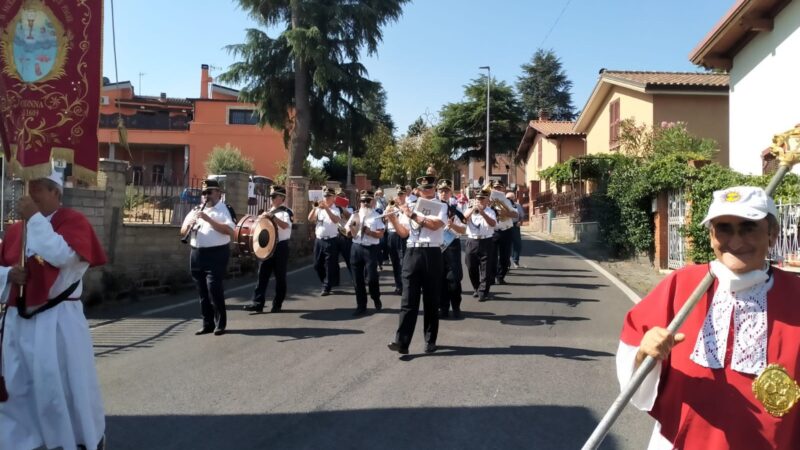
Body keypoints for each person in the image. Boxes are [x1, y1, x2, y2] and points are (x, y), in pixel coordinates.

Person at [617, 186, 800, 449]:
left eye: (749, 227)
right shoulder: (682, 284)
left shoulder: (796, 296)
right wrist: (643, 354)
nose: (735, 242)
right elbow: (633, 358)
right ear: (712, 235)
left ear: (772, 234)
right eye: (723, 228)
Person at [0, 169, 107, 450]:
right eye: (26, 187)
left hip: (57, 322)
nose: (28, 195)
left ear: (55, 193)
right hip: (18, 321)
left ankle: (71, 441)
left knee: (57, 388)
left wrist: (34, 219)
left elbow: (60, 256)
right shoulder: (15, 230)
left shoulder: (74, 222)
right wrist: (8, 275)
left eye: (35, 188)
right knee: (17, 386)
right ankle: (21, 443)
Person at [388, 172, 448, 354]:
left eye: (429, 187)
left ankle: (430, 340)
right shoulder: (411, 206)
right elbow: (404, 233)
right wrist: (393, 219)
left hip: (432, 253)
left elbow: (434, 225)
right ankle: (402, 342)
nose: (426, 191)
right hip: (412, 252)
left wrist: (412, 214)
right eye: (423, 188)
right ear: (419, 190)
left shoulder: (441, 206)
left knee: (431, 300)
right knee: (408, 300)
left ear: (434, 188)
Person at [181, 179, 235, 336]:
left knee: (214, 288)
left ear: (218, 193)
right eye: (203, 193)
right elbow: (182, 231)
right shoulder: (196, 209)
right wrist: (189, 223)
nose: (206, 196)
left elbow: (229, 231)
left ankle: (220, 323)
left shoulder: (225, 209)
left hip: (217, 253)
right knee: (202, 291)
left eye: (209, 192)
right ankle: (207, 323)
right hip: (197, 253)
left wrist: (208, 219)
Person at [243, 186, 293, 313]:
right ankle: (257, 303)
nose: (271, 199)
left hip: (280, 246)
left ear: (281, 198)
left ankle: (277, 304)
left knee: (280, 277)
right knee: (262, 275)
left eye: (273, 196)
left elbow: (286, 226)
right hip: (267, 246)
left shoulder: (286, 212)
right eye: (271, 196)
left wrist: (273, 217)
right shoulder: (268, 211)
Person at [345, 190, 385, 316]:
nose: (365, 203)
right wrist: (348, 231)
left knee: (372, 278)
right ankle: (361, 305)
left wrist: (369, 232)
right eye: (363, 201)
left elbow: (381, 234)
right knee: (357, 279)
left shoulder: (376, 215)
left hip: (371, 249)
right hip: (356, 248)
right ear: (360, 202)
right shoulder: (355, 215)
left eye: (368, 201)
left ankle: (375, 297)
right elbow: (347, 231)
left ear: (372, 201)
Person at [437, 179, 466, 319]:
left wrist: (453, 226)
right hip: (437, 246)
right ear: (437, 192)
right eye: (441, 191)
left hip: (452, 245)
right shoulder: (433, 208)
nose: (443, 193)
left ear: (450, 193)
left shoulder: (455, 210)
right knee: (440, 279)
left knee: (453, 279)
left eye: (446, 191)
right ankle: (443, 308)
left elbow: (464, 229)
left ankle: (456, 307)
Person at [464, 187, 497, 302]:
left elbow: (493, 224)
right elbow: (463, 220)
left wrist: (483, 213)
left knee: (485, 268)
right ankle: (476, 287)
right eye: (478, 199)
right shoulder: (469, 209)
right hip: (472, 241)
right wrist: (472, 210)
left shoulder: (491, 211)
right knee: (471, 267)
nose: (480, 201)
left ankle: (483, 291)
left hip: (486, 241)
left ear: (487, 200)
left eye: (482, 199)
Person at [308, 187, 341, 296]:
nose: (326, 198)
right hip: (319, 240)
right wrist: (314, 208)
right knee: (317, 265)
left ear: (334, 198)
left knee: (329, 265)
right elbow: (310, 219)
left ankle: (326, 286)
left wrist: (326, 208)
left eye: (328, 196)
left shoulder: (336, 209)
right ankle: (326, 282)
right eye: (325, 196)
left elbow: (335, 220)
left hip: (331, 240)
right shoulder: (319, 209)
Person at [490, 180, 518, 285]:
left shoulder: (508, 201)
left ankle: (500, 277)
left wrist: (506, 212)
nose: (497, 189)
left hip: (506, 230)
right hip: (492, 231)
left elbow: (516, 215)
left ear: (503, 189)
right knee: (491, 256)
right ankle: (491, 277)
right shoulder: (487, 200)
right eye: (495, 187)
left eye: (499, 187)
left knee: (505, 257)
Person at [386, 186, 408, 295]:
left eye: (401, 194)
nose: (399, 196)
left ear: (405, 195)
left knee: (403, 260)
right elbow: (384, 218)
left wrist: (401, 206)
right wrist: (389, 207)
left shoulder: (407, 206)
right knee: (394, 261)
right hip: (392, 234)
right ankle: (398, 285)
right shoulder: (391, 206)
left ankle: (405, 285)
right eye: (398, 194)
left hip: (403, 234)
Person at [334, 189, 353, 285]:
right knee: (333, 261)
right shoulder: (333, 208)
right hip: (335, 235)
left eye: (341, 196)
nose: (340, 198)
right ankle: (335, 281)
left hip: (345, 235)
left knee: (348, 259)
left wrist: (342, 207)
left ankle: (355, 278)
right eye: (338, 196)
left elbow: (350, 217)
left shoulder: (350, 208)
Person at [507, 192, 525, 269]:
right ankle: (506, 262)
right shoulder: (503, 205)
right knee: (506, 245)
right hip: (506, 226)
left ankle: (516, 261)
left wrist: (520, 222)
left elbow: (521, 216)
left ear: (514, 198)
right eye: (508, 198)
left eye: (511, 198)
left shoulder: (518, 205)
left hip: (515, 226)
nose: (510, 199)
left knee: (518, 244)